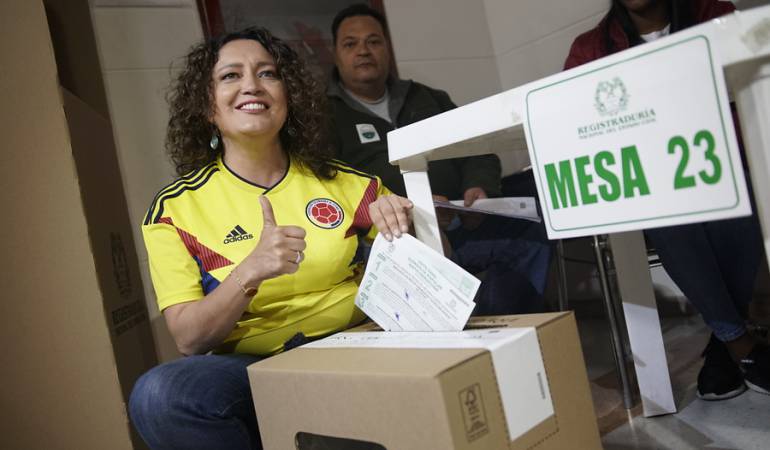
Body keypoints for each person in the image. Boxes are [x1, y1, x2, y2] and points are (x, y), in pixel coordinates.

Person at [128, 27, 414, 450]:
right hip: (251, 366)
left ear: (287, 96)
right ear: (207, 105)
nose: (251, 85)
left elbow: (428, 277)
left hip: (354, 343)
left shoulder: (353, 185)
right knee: (160, 396)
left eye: (268, 74)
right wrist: (252, 270)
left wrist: (406, 225)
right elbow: (189, 338)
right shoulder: (174, 210)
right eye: (230, 76)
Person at [565, 0, 768, 400]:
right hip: (651, 186)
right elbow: (575, 125)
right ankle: (737, 342)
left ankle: (726, 343)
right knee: (666, 207)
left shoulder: (714, 14)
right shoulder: (589, 47)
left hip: (728, 167)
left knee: (732, 191)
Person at [327, 3, 552, 315]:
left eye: (373, 41)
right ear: (335, 55)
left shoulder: (428, 98)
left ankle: (507, 326)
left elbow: (478, 148)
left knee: (534, 231)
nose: (363, 51)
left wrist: (479, 188)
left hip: (464, 219)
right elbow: (330, 191)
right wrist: (412, 206)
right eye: (351, 44)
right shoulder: (325, 117)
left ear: (388, 49)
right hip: (395, 235)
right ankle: (479, 329)